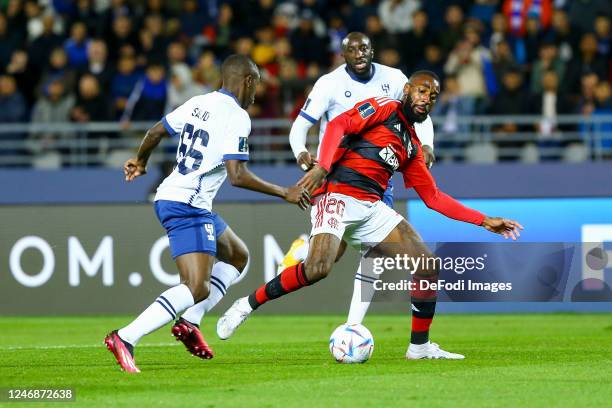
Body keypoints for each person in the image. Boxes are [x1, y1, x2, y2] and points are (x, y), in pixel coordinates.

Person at [217, 71, 523, 359]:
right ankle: (245, 304)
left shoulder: (411, 145)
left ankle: (419, 347)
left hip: (371, 207)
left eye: (433, 96)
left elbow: (434, 198)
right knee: (318, 268)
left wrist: (484, 220)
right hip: (337, 194)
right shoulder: (383, 107)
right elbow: (338, 125)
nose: (426, 98)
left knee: (427, 265)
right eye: (421, 90)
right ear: (407, 90)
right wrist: (323, 165)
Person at [104, 54, 310, 373]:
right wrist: (285, 191)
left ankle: (190, 322)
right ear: (247, 81)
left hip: (179, 196)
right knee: (195, 286)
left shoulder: (198, 102)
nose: (258, 90)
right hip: (188, 204)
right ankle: (125, 337)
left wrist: (141, 161)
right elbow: (238, 175)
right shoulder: (238, 117)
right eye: (257, 82)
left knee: (238, 257)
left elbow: (157, 132)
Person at [283, 32, 436, 328]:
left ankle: (352, 329)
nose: (360, 53)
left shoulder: (394, 78)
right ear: (343, 55)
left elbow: (421, 114)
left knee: (375, 255)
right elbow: (300, 125)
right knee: (334, 254)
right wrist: (301, 153)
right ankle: (304, 248)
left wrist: (427, 145)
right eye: (352, 49)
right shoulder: (329, 83)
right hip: (341, 172)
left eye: (364, 48)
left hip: (380, 175)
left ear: (372, 50)